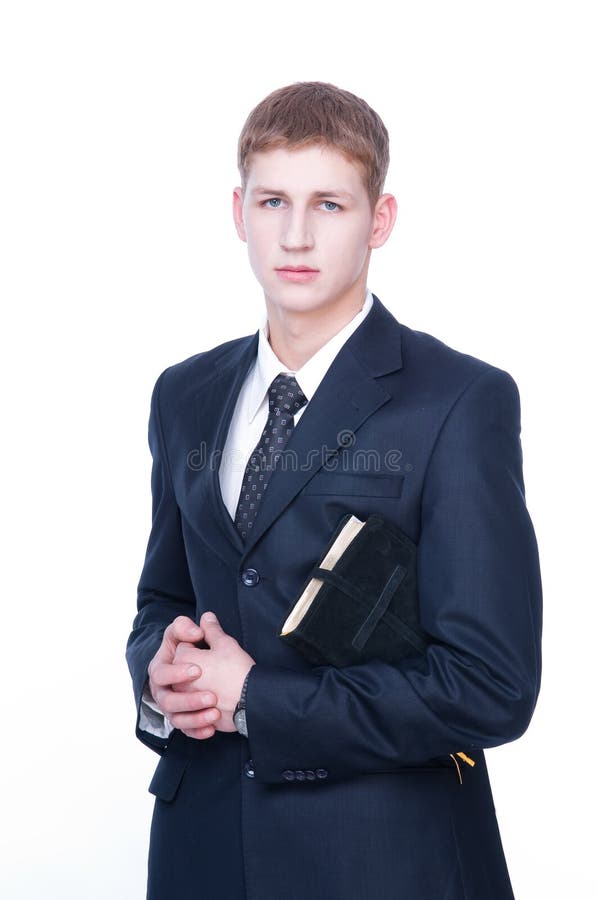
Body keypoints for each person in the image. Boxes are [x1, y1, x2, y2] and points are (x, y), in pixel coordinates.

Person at [126, 81, 542, 900]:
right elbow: (162, 596)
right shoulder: (185, 393)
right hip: (200, 850)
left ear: (379, 220)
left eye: (330, 204)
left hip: (380, 860)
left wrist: (255, 697)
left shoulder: (457, 401)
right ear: (237, 211)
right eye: (273, 199)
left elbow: (491, 685)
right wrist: (157, 673)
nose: (296, 234)